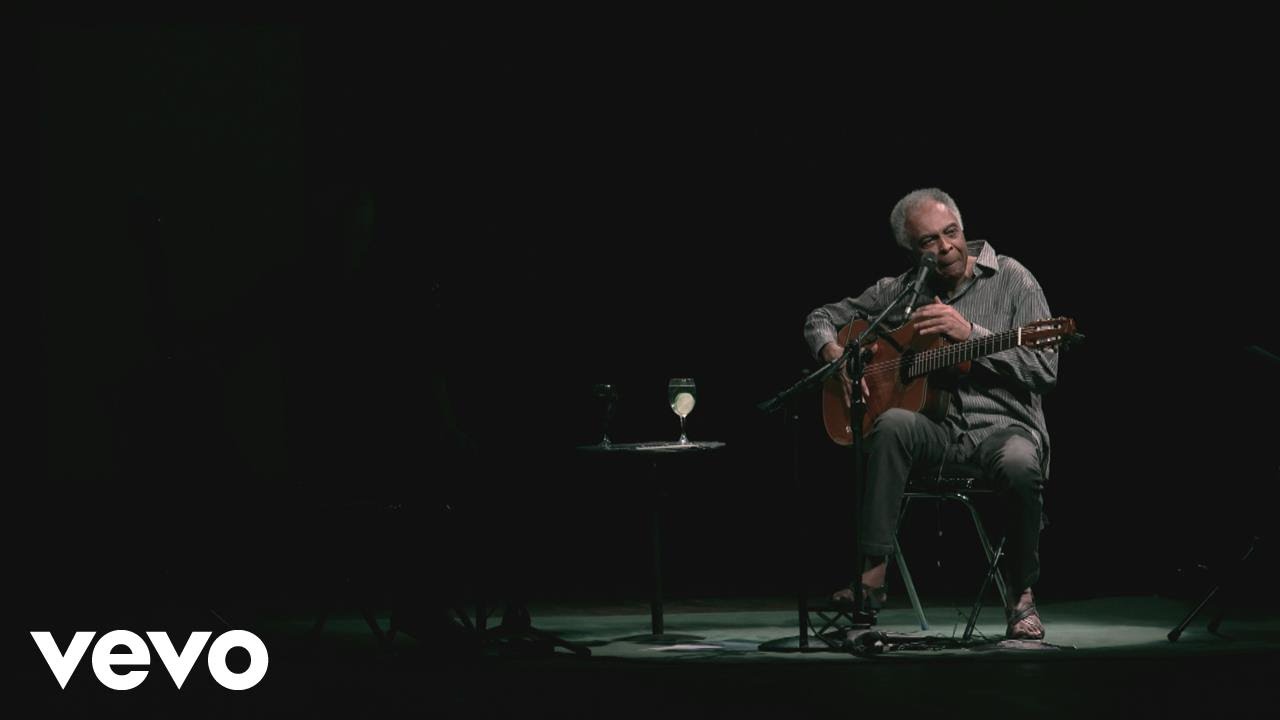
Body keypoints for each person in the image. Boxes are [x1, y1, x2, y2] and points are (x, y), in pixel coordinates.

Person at [803, 188, 1058, 640]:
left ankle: (1021, 597)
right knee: (891, 424)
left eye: (951, 233)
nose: (944, 248)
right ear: (911, 250)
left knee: (1021, 463)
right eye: (928, 242)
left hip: (1004, 430)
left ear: (963, 229)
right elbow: (820, 317)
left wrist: (970, 334)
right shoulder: (900, 292)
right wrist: (836, 354)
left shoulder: (1014, 278)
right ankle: (872, 580)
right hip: (938, 434)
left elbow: (1044, 367)